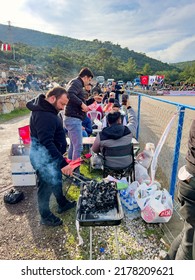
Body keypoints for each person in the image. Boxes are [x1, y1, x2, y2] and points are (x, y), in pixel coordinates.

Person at [26, 86, 76, 227]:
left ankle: (62, 203)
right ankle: (45, 216)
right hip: (43, 158)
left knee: (56, 180)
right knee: (45, 186)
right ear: (52, 98)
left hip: (51, 157)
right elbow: (46, 142)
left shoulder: (48, 110)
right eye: (62, 104)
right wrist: (63, 163)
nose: (63, 108)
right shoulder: (44, 115)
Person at [162, 120, 195, 260]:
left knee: (188, 231)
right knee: (189, 240)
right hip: (191, 183)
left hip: (188, 180)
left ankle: (169, 259)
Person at [63, 67, 94, 168]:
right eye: (89, 80)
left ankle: (70, 170)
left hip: (72, 118)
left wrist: (93, 99)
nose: (88, 82)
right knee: (78, 147)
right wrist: (82, 104)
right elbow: (70, 94)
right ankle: (75, 171)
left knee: (73, 146)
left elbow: (78, 100)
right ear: (85, 77)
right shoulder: (77, 83)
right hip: (73, 118)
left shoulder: (77, 83)